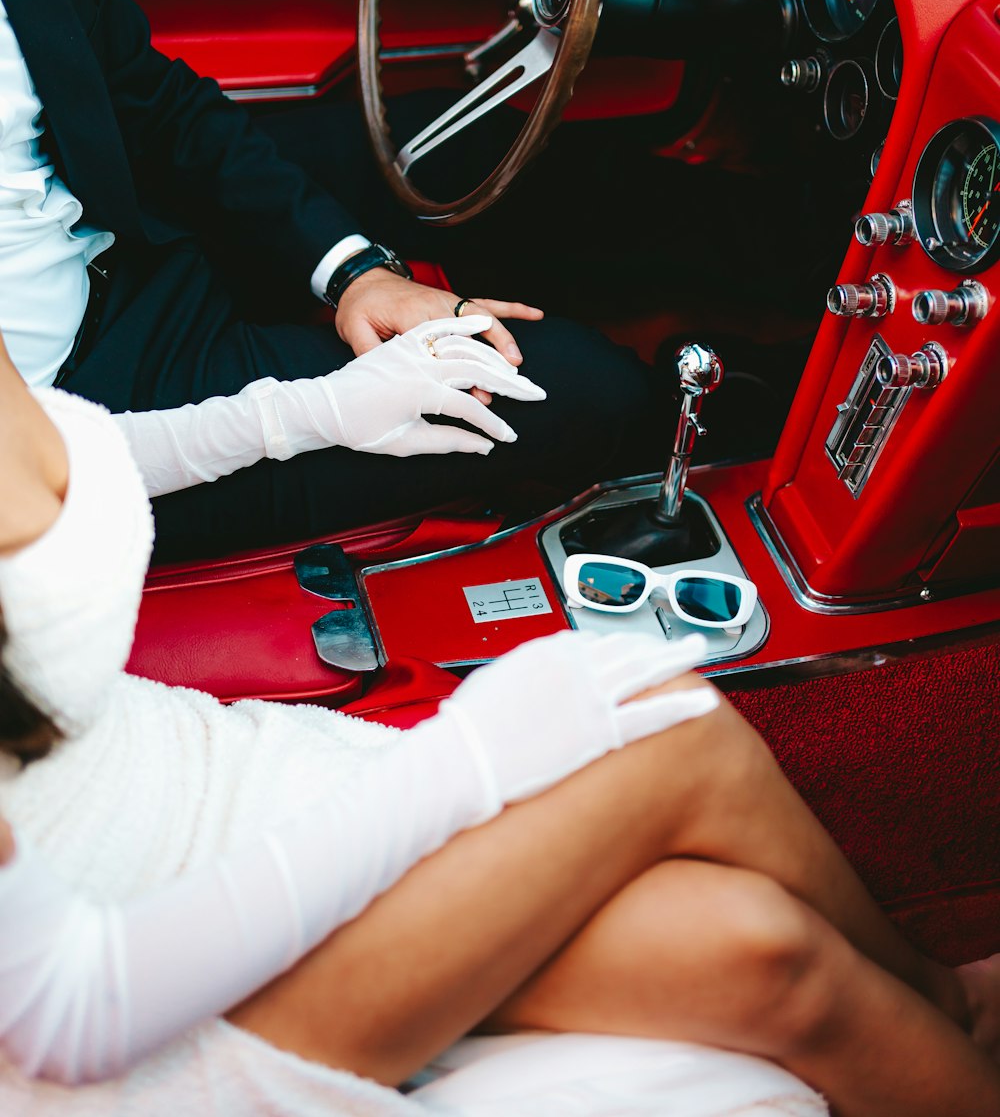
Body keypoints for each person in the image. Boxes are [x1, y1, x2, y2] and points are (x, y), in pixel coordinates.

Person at [1, 336, 998, 1116]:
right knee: (680, 755)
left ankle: (942, 1000)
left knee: (753, 935)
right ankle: (945, 999)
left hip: (193, 775)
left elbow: (55, 445)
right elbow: (71, 1008)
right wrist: (460, 764)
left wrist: (306, 412)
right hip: (110, 1008)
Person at [0, 0, 662, 565]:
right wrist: (313, 412)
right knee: (590, 391)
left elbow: (136, 89)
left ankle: (776, 267)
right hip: (92, 425)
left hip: (119, 238)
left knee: (455, 153)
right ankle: (716, 429)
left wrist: (355, 272)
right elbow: (28, 481)